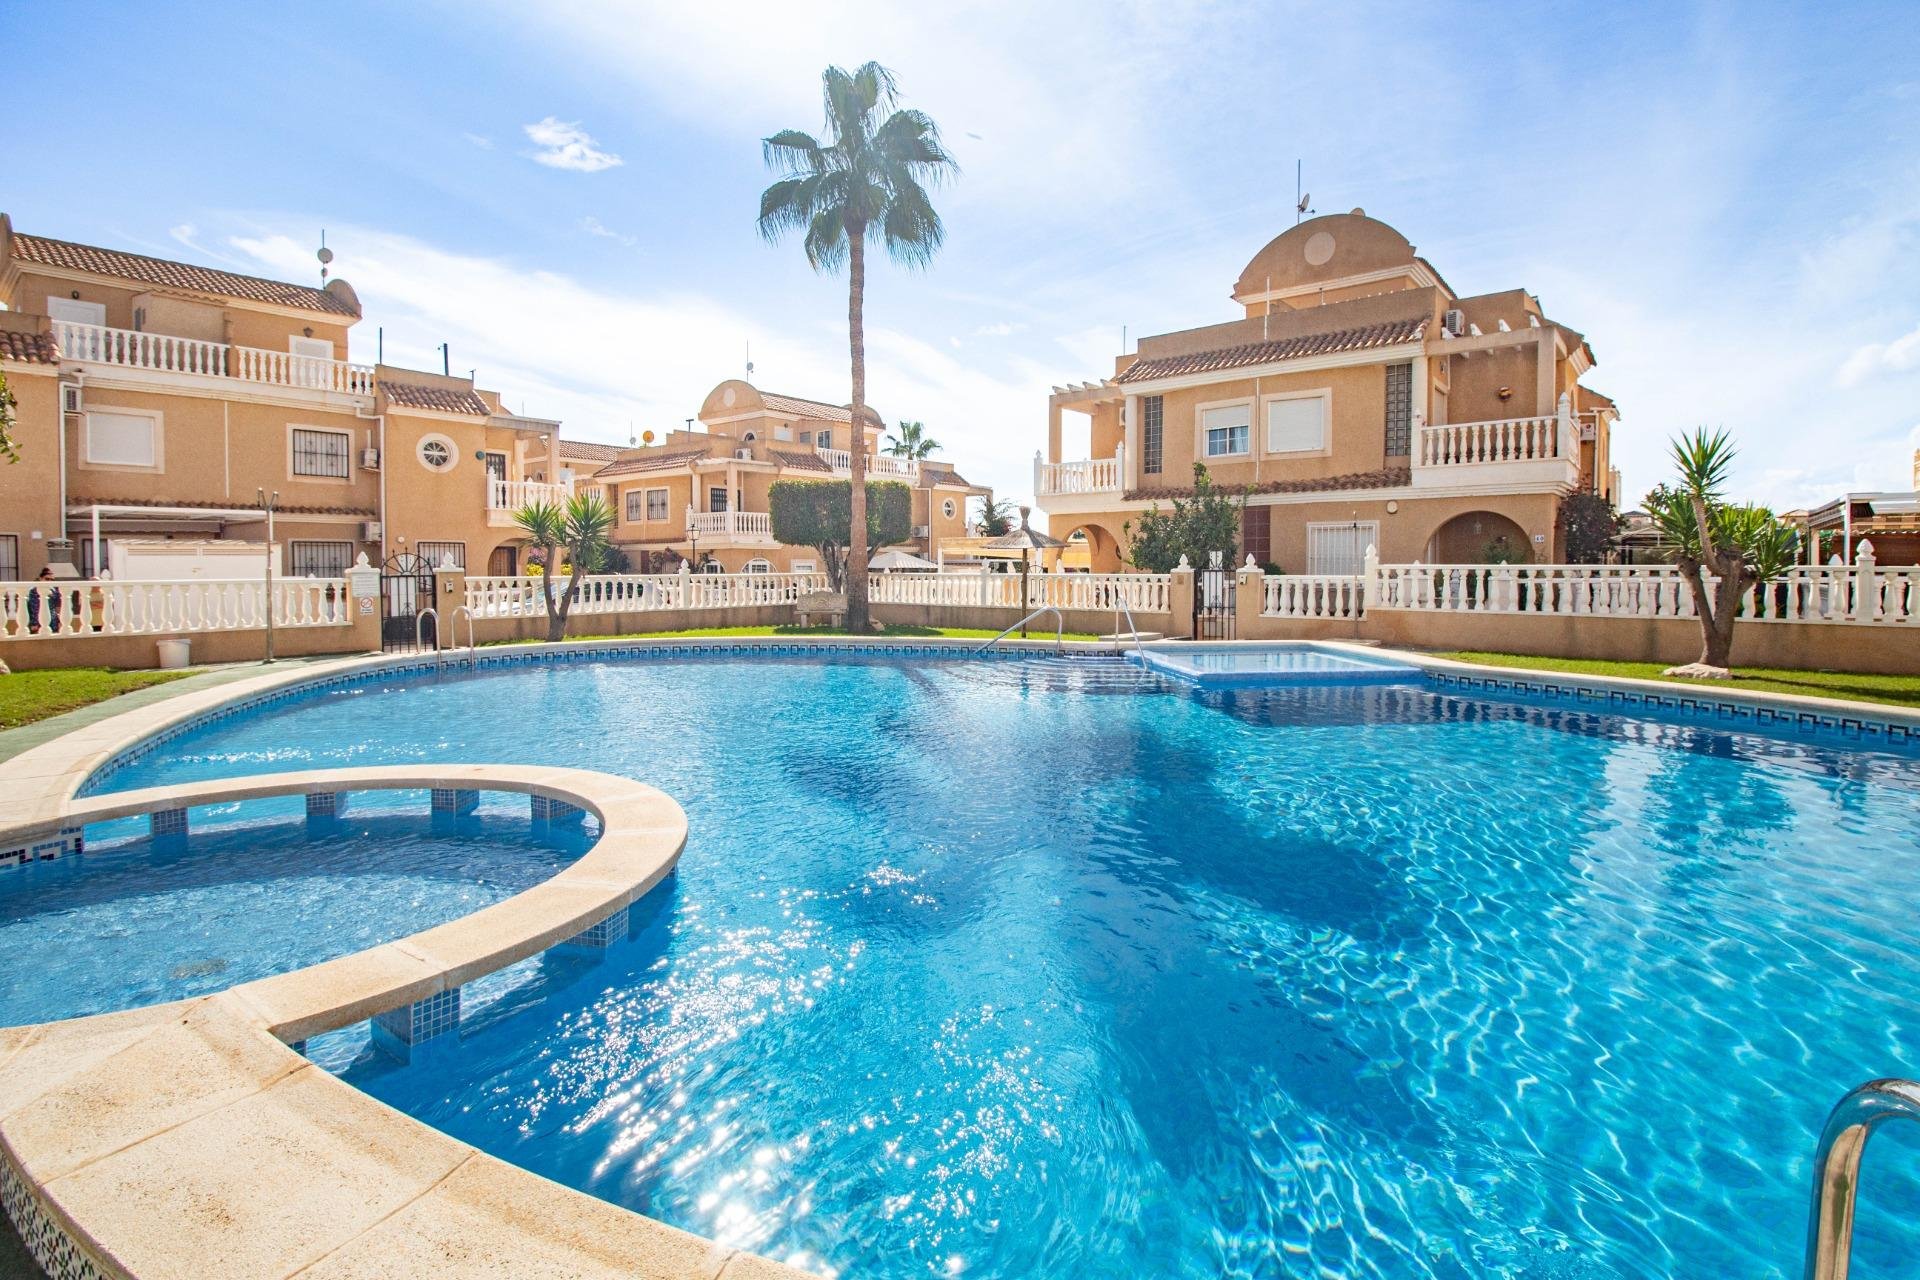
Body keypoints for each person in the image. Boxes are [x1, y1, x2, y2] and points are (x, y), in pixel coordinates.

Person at [26, 567, 61, 634]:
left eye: (52, 580)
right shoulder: (34, 592)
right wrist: (34, 624)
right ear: (41, 578)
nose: (49, 581)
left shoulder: (55, 592)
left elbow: (58, 609)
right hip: (38, 623)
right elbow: (34, 608)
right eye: (47, 579)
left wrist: (60, 622)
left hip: (53, 622)